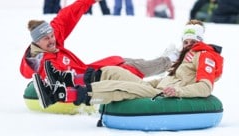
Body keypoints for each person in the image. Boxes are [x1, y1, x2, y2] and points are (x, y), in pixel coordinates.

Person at [32, 19, 224, 109]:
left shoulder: (206, 55)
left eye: (192, 41)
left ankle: (61, 94)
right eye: (185, 41)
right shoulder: (186, 56)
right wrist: (155, 83)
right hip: (156, 87)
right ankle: (67, 78)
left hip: (165, 96)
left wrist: (178, 92)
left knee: (120, 86)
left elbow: (205, 87)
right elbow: (171, 79)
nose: (187, 45)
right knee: (113, 71)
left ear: (200, 40)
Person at [20, 0, 179, 86]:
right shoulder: (42, 63)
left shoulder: (51, 41)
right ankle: (171, 60)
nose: (52, 40)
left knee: (126, 60)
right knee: (131, 68)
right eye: (46, 38)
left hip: (92, 69)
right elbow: (55, 80)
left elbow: (67, 15)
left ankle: (164, 62)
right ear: (36, 42)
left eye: (52, 36)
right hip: (94, 79)